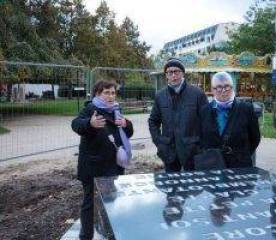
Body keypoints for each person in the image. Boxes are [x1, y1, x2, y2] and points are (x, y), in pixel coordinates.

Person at [71, 80, 133, 240]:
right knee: (90, 202)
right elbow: (76, 124)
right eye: (106, 92)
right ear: (98, 94)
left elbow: (128, 132)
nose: (111, 96)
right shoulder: (91, 108)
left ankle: (107, 231)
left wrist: (126, 124)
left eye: (113, 92)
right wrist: (89, 124)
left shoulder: (116, 110)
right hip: (93, 165)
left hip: (112, 165)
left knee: (110, 200)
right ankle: (85, 235)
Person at [148, 58, 208, 172]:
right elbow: (153, 121)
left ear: (183, 73)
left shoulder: (197, 94)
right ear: (166, 75)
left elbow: (206, 122)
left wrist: (201, 146)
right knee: (172, 187)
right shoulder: (160, 96)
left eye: (176, 71)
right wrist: (159, 142)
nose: (173, 75)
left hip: (193, 152)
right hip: (169, 151)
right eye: (170, 72)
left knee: (193, 187)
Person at [199, 72, 260, 168]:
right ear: (212, 90)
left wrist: (241, 155)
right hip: (213, 165)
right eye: (218, 87)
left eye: (227, 86)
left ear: (232, 87)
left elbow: (255, 138)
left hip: (240, 165)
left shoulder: (246, 109)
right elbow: (201, 138)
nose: (223, 91)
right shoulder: (204, 111)